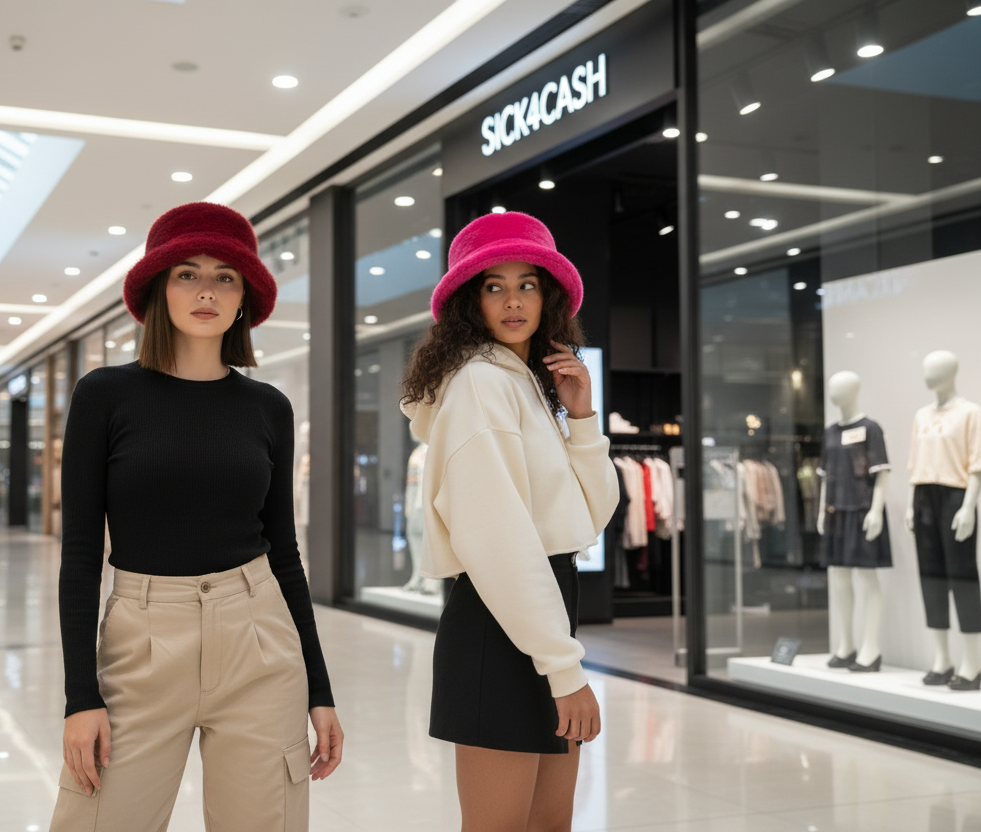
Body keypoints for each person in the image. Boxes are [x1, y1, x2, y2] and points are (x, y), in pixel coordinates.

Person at [50, 202, 343, 832]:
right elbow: (80, 554)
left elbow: (284, 552)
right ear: (159, 288)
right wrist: (80, 697)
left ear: (244, 298)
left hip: (259, 640)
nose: (207, 290)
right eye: (187, 273)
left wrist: (319, 689)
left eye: (225, 276)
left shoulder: (268, 407)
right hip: (143, 640)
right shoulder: (105, 395)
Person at [400, 211, 619, 831]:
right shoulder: (480, 384)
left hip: (541, 608)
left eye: (528, 284)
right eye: (494, 286)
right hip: (498, 621)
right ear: (470, 301)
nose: (514, 301)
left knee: (549, 824)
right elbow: (498, 541)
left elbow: (591, 515)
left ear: (549, 297)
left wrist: (582, 421)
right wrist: (564, 668)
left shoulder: (526, 385)